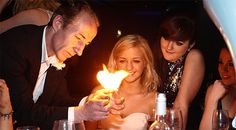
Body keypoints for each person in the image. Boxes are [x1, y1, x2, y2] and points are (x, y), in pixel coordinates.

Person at [0, 1, 123, 129]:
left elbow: (58, 101)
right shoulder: (15, 48)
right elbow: (22, 111)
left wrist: (88, 102)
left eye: (85, 44)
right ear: (58, 23)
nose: (80, 52)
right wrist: (82, 112)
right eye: (79, 37)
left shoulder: (61, 54)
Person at [85, 34, 160, 130]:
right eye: (122, 61)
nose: (129, 67)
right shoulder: (101, 93)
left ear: (145, 63)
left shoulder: (155, 100)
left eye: (136, 61)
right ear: (116, 62)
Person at [155, 13, 205, 129]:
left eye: (179, 43)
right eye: (166, 38)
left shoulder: (194, 57)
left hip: (180, 124)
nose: (169, 47)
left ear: (191, 44)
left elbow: (180, 106)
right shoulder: (155, 56)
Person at [199, 46, 236, 130]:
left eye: (231, 64)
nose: (224, 69)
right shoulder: (215, 89)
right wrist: (213, 98)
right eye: (221, 62)